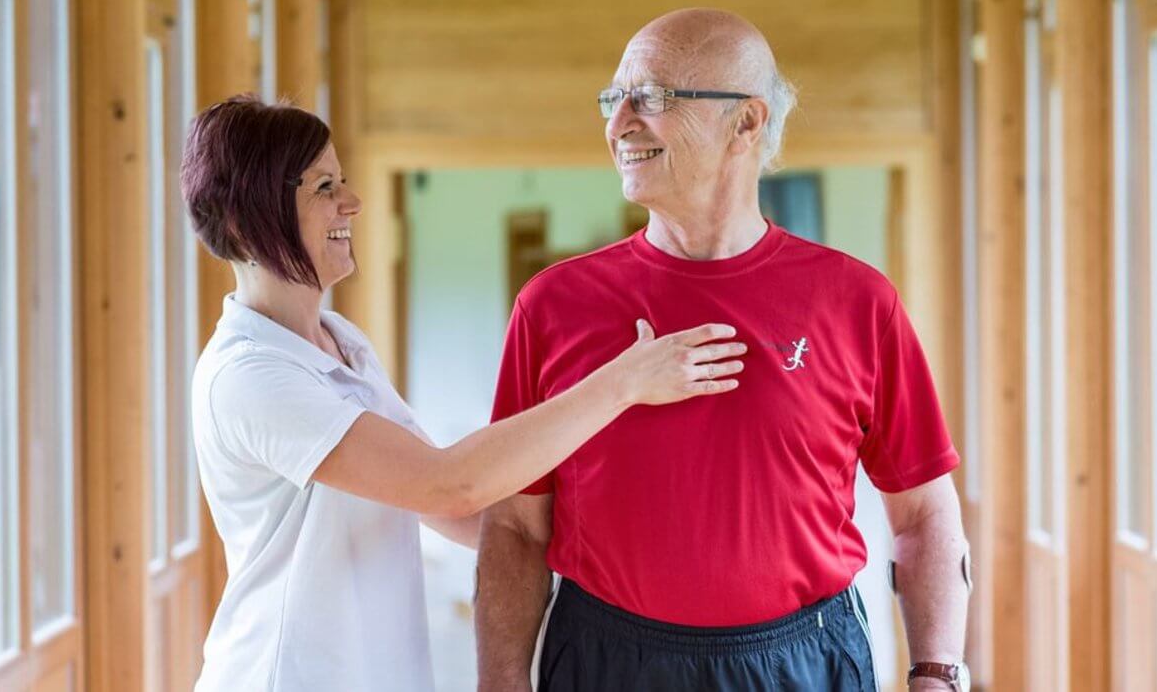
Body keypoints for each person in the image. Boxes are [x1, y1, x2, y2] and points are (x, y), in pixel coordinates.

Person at [475, 9, 971, 692]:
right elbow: (515, 526)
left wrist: (938, 671)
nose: (619, 122)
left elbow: (924, 513)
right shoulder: (552, 305)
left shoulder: (857, 301)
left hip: (805, 660)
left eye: (652, 96)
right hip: (606, 658)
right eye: (612, 99)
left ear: (747, 122)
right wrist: (499, 680)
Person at [182, 95, 748, 692]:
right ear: (246, 219)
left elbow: (448, 508)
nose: (352, 201)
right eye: (324, 187)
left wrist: (615, 549)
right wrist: (625, 381)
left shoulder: (339, 341)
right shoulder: (248, 376)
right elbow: (446, 485)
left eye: (343, 180)